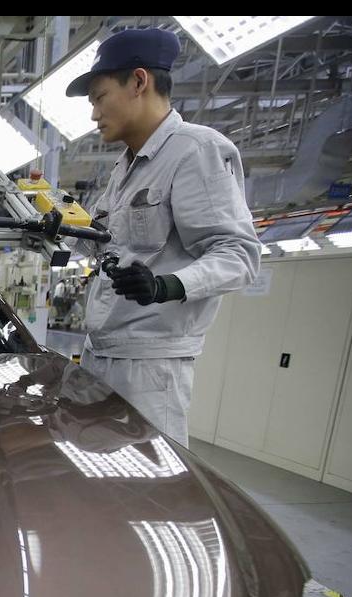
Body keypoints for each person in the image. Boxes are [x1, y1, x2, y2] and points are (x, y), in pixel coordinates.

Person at [65, 28, 261, 445]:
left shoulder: (195, 151)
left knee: (148, 490)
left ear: (139, 82)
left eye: (99, 97)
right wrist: (45, 221)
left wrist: (165, 285)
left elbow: (239, 254)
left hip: (148, 368)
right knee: (90, 482)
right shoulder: (126, 169)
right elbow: (106, 243)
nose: (94, 114)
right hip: (101, 352)